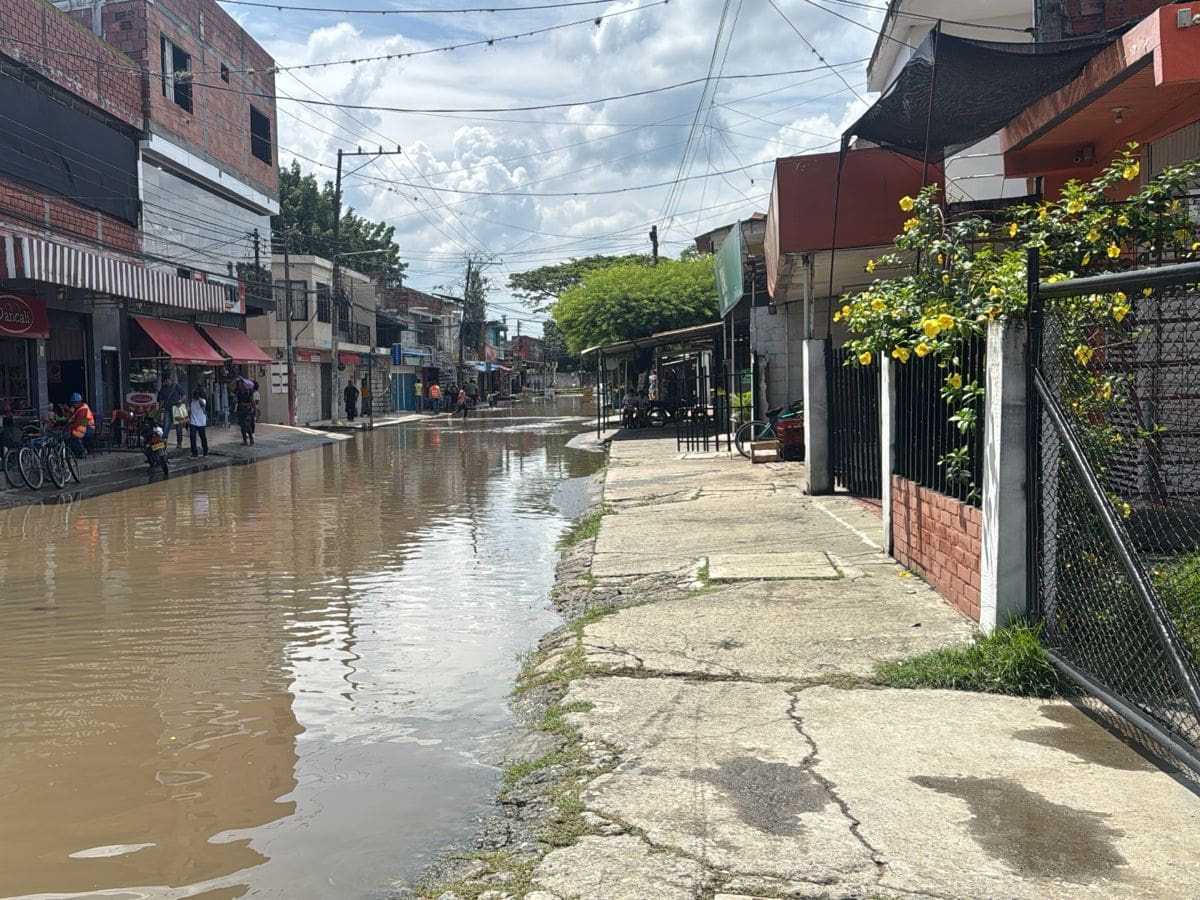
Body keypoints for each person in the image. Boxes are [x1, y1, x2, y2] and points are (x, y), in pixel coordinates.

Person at [158, 375, 187, 449]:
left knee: (178, 427)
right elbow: (161, 400)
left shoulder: (177, 386)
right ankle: (164, 442)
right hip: (167, 409)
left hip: (177, 408)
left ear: (171, 380)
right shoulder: (163, 389)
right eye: (166, 381)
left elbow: (184, 395)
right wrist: (159, 410)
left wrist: (181, 400)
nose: (167, 382)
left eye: (168, 381)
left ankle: (179, 442)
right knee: (166, 426)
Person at [65, 392, 94, 459]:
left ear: (80, 402)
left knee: (73, 436)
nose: (74, 404)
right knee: (71, 434)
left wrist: (68, 428)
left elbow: (78, 423)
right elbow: (68, 418)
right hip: (83, 426)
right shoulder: (78, 409)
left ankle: (81, 451)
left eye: (75, 403)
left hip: (88, 428)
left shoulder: (83, 410)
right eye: (73, 403)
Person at [231, 376, 258, 445]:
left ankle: (251, 437)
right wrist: (235, 381)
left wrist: (255, 409)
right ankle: (245, 440)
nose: (240, 385)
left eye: (241, 384)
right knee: (242, 425)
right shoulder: (238, 391)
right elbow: (230, 387)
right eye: (239, 384)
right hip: (240, 409)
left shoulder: (249, 391)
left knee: (247, 424)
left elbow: (252, 401)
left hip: (247, 409)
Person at [188, 387, 208, 458]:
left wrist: (199, 398)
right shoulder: (192, 402)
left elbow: (203, 404)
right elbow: (190, 411)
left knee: (203, 437)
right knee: (192, 437)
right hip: (193, 422)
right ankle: (194, 453)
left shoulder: (203, 400)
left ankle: (205, 452)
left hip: (201, 422)